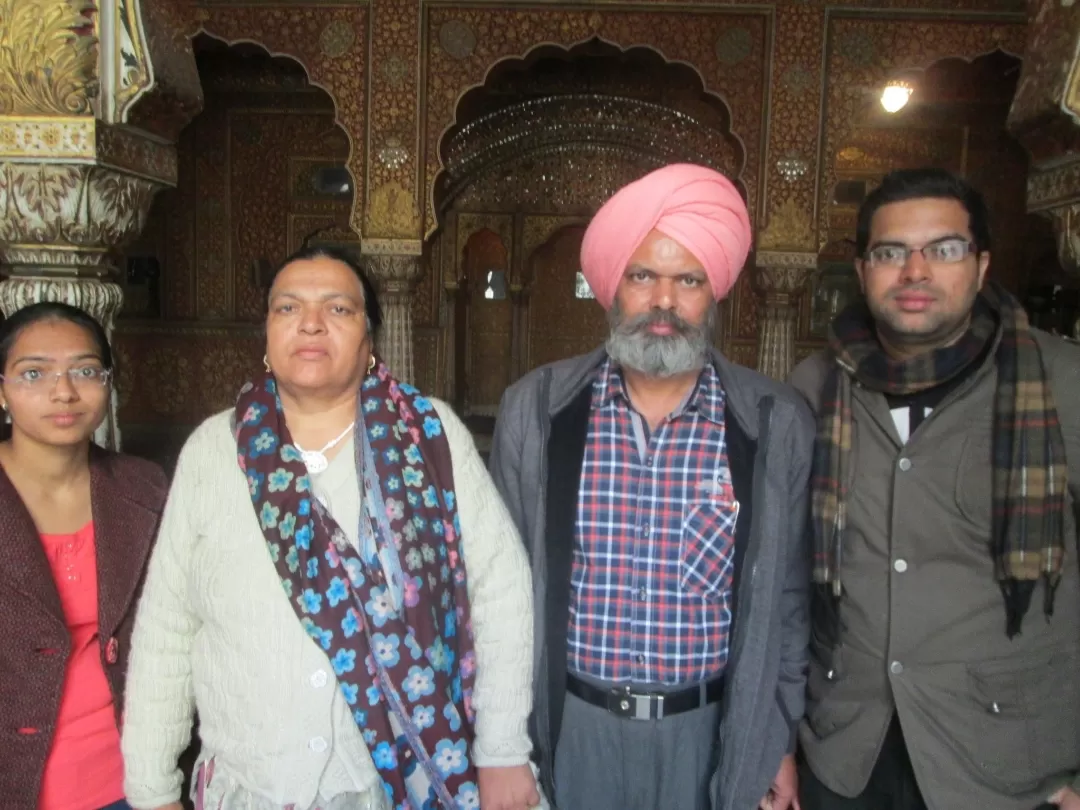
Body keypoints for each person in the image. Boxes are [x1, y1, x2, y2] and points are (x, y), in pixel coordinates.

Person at [121, 246, 540, 810]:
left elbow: (502, 594)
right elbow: (167, 630)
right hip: (249, 786)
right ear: (267, 338)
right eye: (288, 308)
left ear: (369, 343)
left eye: (338, 309)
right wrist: (151, 790)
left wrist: (503, 749)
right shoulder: (213, 451)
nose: (311, 323)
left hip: (391, 788)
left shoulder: (431, 438)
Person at [488, 163, 815, 810]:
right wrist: (500, 748)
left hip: (711, 735)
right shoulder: (538, 409)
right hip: (571, 728)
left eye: (687, 280)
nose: (663, 302)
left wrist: (776, 741)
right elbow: (496, 594)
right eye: (642, 276)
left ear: (713, 293)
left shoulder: (773, 422)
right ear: (612, 287)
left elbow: (789, 602)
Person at [790, 168, 1080, 810]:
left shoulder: (1062, 385)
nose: (915, 271)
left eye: (943, 249)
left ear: (980, 266)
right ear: (864, 269)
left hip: (1007, 765)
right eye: (892, 252)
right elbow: (782, 576)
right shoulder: (814, 389)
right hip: (845, 753)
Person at [0, 302, 169, 810]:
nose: (63, 391)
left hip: (131, 782)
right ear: (1, 388)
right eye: (35, 372)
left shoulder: (145, 487)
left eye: (85, 370)